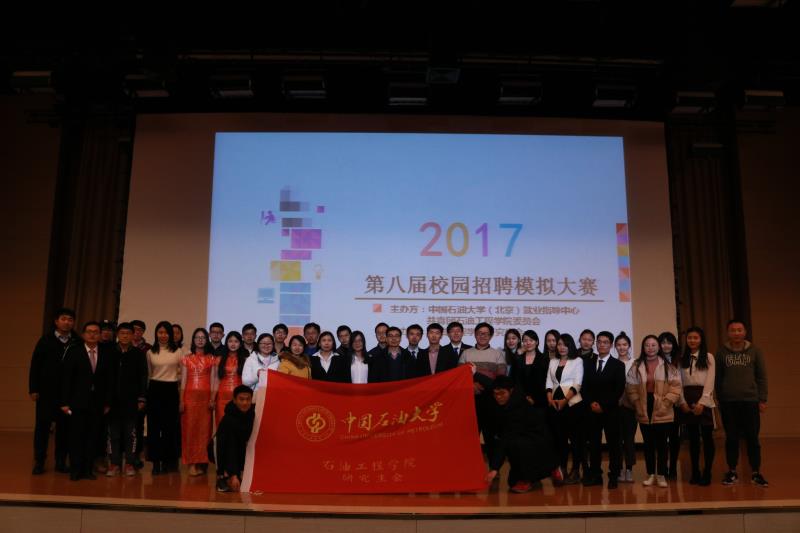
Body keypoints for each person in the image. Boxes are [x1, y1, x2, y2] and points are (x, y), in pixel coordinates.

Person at [485, 376, 562, 493]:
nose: (498, 397)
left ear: (511, 391)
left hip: (538, 440)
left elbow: (506, 437)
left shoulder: (517, 407)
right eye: (496, 394)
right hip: (523, 438)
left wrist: (494, 468)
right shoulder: (503, 401)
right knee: (512, 479)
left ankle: (546, 471)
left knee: (516, 445)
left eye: (502, 393)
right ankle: (548, 469)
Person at [716, 319, 768, 487]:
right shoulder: (721, 352)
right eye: (733, 330)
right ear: (728, 333)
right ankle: (732, 471)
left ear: (745, 332)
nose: (736, 333)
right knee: (731, 438)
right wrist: (719, 399)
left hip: (750, 401)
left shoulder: (755, 351)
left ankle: (756, 472)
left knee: (752, 438)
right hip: (728, 402)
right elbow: (718, 378)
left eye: (739, 330)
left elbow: (761, 377)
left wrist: (762, 399)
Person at [626, 334, 682, 488]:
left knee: (662, 444)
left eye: (653, 345)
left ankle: (661, 474)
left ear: (658, 347)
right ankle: (651, 474)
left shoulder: (668, 366)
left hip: (663, 407)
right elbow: (631, 388)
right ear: (643, 348)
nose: (650, 348)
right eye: (647, 345)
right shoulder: (636, 366)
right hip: (644, 406)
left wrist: (665, 404)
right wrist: (637, 404)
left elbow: (676, 388)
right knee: (648, 444)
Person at [29, 306, 79, 475]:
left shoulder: (77, 341)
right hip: (46, 392)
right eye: (63, 319)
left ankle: (60, 462)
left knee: (64, 429)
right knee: (42, 427)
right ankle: (39, 461)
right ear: (56, 321)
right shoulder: (45, 340)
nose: (67, 322)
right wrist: (33, 388)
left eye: (70, 319)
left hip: (68, 394)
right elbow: (35, 365)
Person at [60, 321, 110, 481]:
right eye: (89, 331)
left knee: (92, 437)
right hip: (77, 402)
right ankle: (76, 470)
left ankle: (88, 470)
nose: (92, 334)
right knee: (76, 437)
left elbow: (109, 380)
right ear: (83, 334)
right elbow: (66, 378)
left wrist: (107, 402)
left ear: (100, 335)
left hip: (97, 403)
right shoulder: (74, 351)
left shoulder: (106, 353)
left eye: (96, 332)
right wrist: (64, 402)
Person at [581, 331, 626, 488]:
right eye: (599, 342)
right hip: (592, 410)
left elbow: (619, 390)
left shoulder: (618, 365)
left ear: (611, 345)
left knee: (614, 444)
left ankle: (613, 475)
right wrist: (591, 403)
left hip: (610, 411)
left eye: (605, 342)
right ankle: (596, 475)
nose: (601, 345)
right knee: (594, 444)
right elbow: (584, 387)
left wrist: (603, 405)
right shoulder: (588, 363)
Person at [106, 322, 148, 477]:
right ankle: (114, 464)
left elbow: (143, 376)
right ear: (117, 335)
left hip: (131, 401)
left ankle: (129, 463)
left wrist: (141, 398)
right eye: (122, 333)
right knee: (114, 434)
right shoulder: (110, 352)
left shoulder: (138, 354)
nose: (125, 336)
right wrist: (106, 400)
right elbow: (104, 377)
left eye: (128, 333)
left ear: (132, 335)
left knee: (131, 434)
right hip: (112, 401)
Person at [461, 322, 506, 458]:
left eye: (486, 334)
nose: (483, 336)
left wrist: (482, 384)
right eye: (480, 333)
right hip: (470, 401)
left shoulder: (498, 354)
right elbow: (459, 376)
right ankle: (469, 465)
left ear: (491, 336)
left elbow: (500, 380)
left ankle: (493, 466)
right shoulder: (466, 353)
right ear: (475, 335)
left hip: (490, 401)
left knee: (490, 437)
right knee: (469, 436)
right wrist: (472, 385)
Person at [678, 327, 716, 486]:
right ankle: (695, 471)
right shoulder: (682, 358)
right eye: (689, 338)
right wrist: (682, 401)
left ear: (701, 340)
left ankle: (707, 472)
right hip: (687, 398)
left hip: (703, 398)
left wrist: (702, 402)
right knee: (692, 439)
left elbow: (710, 381)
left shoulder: (708, 357)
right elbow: (678, 382)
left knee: (707, 438)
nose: (692, 340)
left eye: (695, 338)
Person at [546, 333, 584, 484]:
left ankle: (575, 470)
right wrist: (550, 398)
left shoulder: (577, 360)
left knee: (575, 439)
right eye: (559, 344)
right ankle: (561, 469)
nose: (562, 347)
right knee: (559, 439)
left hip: (572, 403)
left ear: (570, 346)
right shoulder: (553, 361)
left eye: (565, 344)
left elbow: (578, 383)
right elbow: (549, 382)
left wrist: (565, 400)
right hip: (555, 404)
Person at [180, 328, 219, 477]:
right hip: (189, 398)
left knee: (204, 431)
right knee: (190, 430)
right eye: (197, 337)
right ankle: (191, 463)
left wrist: (212, 398)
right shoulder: (186, 358)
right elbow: (183, 381)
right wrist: (181, 400)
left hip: (205, 399)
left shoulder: (212, 359)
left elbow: (214, 380)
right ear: (193, 340)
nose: (200, 340)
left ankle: (202, 462)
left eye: (203, 337)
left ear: (207, 340)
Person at [146, 321, 183, 475]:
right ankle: (155, 462)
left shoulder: (178, 352)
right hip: (155, 389)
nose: (163, 335)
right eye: (160, 332)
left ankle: (168, 461)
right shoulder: (150, 352)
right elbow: (149, 374)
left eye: (166, 332)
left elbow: (181, 375)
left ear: (170, 334)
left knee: (169, 428)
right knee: (154, 428)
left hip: (171, 390)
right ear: (156, 334)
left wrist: (181, 396)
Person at [214, 385, 255, 493]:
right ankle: (222, 476)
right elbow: (228, 447)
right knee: (225, 443)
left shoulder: (253, 414)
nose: (245, 403)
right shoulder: (228, 419)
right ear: (235, 400)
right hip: (222, 449)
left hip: (241, 448)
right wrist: (233, 474)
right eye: (241, 399)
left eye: (248, 399)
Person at [658, 331, 682, 480]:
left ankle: (673, 467)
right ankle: (663, 467)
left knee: (674, 437)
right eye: (663, 342)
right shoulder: (655, 360)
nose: (666, 345)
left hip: (676, 404)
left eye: (669, 342)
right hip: (661, 404)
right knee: (662, 439)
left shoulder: (679, 361)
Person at [614, 331, 637, 483]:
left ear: (629, 346)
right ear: (615, 347)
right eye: (619, 345)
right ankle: (619, 469)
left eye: (624, 344)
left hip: (630, 406)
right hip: (615, 406)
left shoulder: (636, 363)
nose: (622, 347)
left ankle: (629, 469)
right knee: (616, 440)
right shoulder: (612, 363)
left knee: (629, 439)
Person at [130, 319, 151, 468]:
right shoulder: (122, 346)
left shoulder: (148, 349)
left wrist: (143, 395)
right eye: (134, 329)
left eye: (140, 330)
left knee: (138, 425)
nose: (137, 332)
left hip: (142, 392)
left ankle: (136, 455)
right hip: (124, 392)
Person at [215, 331, 248, 426]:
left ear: (240, 344)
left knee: (237, 425)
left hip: (239, 397)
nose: (233, 344)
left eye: (236, 341)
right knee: (222, 423)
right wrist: (212, 398)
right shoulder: (219, 359)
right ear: (226, 343)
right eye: (230, 341)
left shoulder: (246, 360)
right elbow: (216, 380)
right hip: (222, 397)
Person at [512, 330, 548, 409]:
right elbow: (515, 380)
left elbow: (545, 380)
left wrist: (534, 398)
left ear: (537, 342)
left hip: (540, 399)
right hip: (521, 399)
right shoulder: (518, 359)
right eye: (525, 341)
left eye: (531, 340)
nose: (528, 343)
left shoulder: (544, 359)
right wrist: (524, 396)